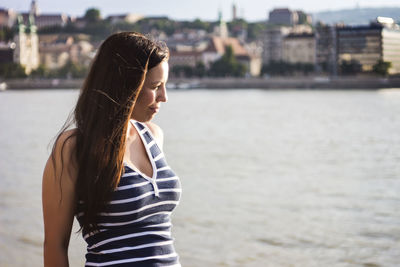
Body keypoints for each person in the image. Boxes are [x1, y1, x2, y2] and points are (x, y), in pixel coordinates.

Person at [42, 32, 182, 267]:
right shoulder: (73, 149)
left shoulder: (154, 137)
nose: (164, 97)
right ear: (125, 84)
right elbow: (54, 246)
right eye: (156, 86)